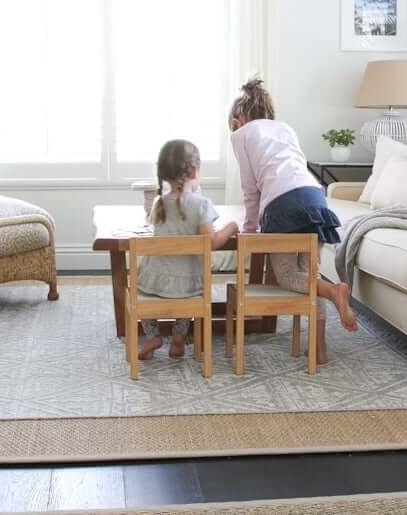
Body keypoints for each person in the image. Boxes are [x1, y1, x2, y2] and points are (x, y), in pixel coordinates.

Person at [229, 78, 357, 364]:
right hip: (315, 198)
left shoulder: (241, 134)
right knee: (309, 275)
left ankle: (334, 291)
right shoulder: (285, 128)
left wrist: (250, 231)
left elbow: (250, 188)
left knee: (288, 277)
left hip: (282, 204)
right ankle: (319, 348)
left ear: (238, 120)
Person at [137, 139, 238, 360]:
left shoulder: (158, 203)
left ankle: (152, 335)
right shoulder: (201, 204)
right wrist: (231, 228)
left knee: (141, 287)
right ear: (194, 171)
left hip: (154, 282)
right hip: (188, 285)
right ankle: (179, 335)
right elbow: (211, 242)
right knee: (191, 290)